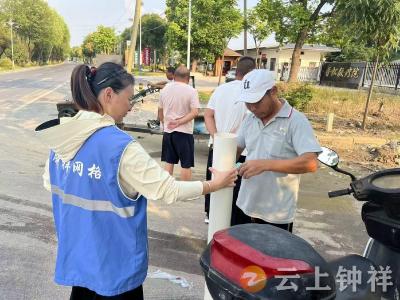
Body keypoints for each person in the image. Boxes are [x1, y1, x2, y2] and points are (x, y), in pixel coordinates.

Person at [35, 62, 237, 300]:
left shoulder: (60, 139)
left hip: (80, 263)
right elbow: (167, 189)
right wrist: (215, 184)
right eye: (129, 98)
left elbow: (52, 184)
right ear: (109, 94)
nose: (131, 106)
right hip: (114, 269)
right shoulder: (119, 147)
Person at [235, 69, 321, 232]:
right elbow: (237, 148)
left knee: (271, 257)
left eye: (257, 101)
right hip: (245, 204)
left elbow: (310, 163)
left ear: (273, 91)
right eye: (247, 102)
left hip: (275, 214)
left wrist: (265, 165)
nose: (252, 107)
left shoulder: (296, 121)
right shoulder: (250, 119)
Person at [203, 56, 256, 224]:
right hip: (242, 153)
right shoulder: (251, 94)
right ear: (252, 72)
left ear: (236, 71)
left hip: (218, 149)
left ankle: (211, 220)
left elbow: (208, 115)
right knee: (237, 198)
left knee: (215, 189)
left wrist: (217, 137)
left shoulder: (221, 90)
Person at [158, 65, 199, 181]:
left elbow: (160, 111)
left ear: (174, 76)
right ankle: (185, 192)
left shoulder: (165, 89)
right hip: (184, 133)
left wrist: (164, 124)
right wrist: (179, 122)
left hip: (168, 132)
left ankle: (166, 189)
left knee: (169, 162)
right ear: (188, 78)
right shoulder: (192, 91)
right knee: (186, 165)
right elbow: (195, 112)